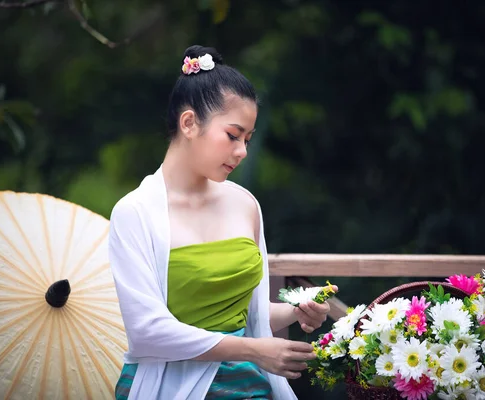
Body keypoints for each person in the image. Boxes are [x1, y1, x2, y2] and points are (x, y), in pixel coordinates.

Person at [108, 45, 339, 400]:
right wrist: (253, 350)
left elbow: (248, 314)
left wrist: (296, 312)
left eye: (247, 139)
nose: (242, 151)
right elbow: (147, 332)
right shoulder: (135, 212)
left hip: (248, 388)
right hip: (170, 386)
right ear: (188, 123)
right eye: (232, 135)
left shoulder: (244, 204)